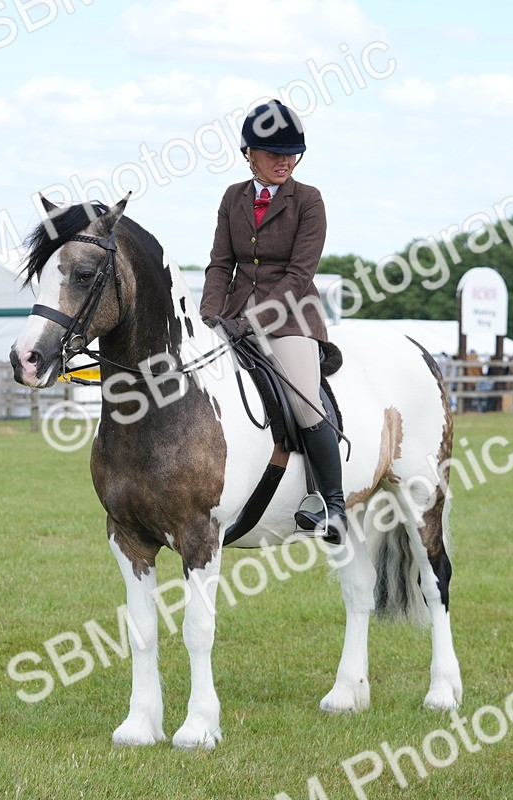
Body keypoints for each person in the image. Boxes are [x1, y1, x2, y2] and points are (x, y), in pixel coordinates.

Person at [199, 98, 343, 544]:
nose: (285, 161)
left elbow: (301, 274)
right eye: (275, 152)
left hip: (292, 317)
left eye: (291, 153)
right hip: (233, 316)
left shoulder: (309, 201)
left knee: (303, 400)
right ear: (250, 154)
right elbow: (221, 264)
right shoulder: (232, 198)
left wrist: (255, 321)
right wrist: (209, 316)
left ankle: (332, 504)